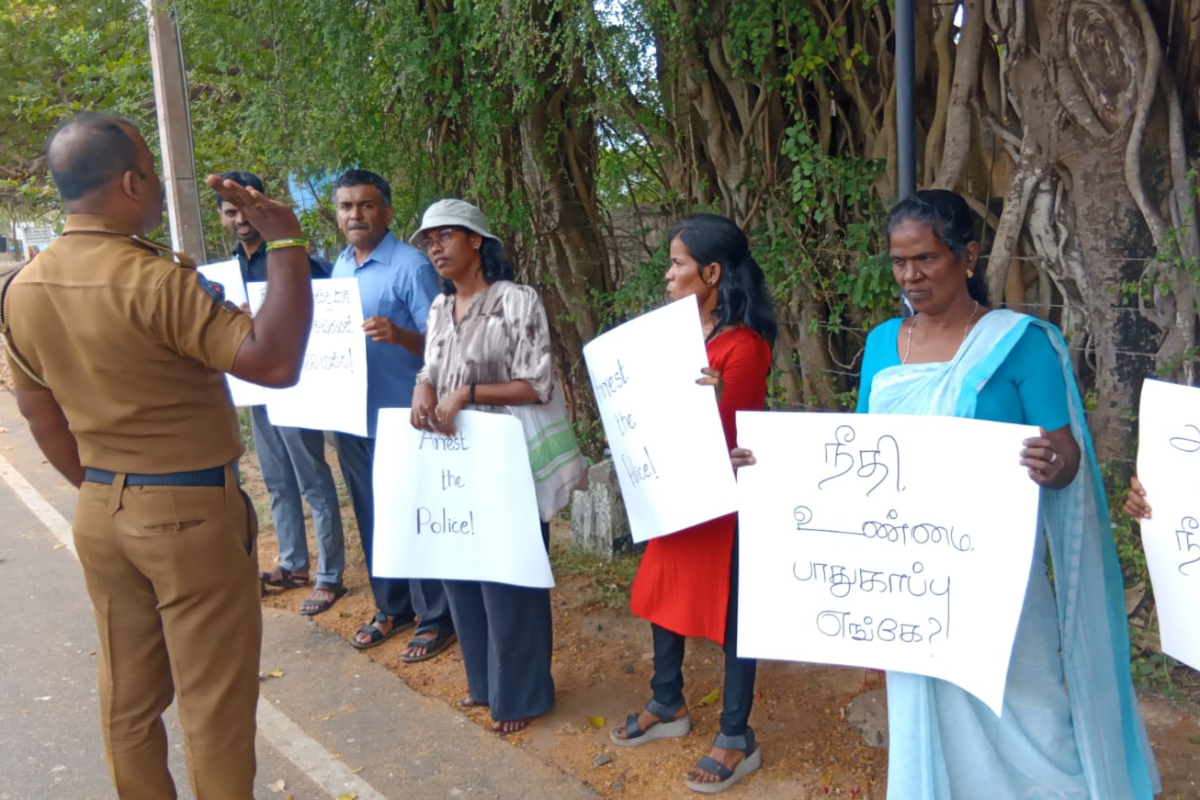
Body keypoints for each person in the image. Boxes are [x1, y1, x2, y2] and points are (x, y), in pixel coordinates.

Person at [732, 189, 1160, 799]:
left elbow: (1067, 458)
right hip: (908, 584)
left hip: (998, 578)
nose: (911, 275)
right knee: (928, 709)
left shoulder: (1021, 343)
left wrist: (1049, 461)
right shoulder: (884, 343)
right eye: (900, 262)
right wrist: (770, 464)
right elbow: (857, 451)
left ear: (967, 255)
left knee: (1031, 708)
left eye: (926, 259)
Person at [1, 112, 313, 799]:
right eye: (152, 173)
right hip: (187, 516)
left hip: (101, 510)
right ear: (131, 180)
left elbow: (36, 410)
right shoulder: (156, 281)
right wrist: (286, 240)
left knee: (129, 704)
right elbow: (275, 359)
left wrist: (106, 488)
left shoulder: (21, 289)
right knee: (214, 710)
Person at [610, 213, 776, 794]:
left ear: (711, 272)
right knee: (665, 595)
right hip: (673, 494)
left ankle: (736, 736)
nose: (668, 276)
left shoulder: (744, 347)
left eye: (678, 264)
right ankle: (668, 702)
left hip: (724, 506)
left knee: (734, 618)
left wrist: (702, 405)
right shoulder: (671, 340)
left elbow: (731, 435)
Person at [409, 198, 558, 734]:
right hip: (453, 461)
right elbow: (429, 365)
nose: (435, 247)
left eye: (445, 236)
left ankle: (523, 695)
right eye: (429, 240)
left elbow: (537, 383)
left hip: (506, 458)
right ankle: (485, 683)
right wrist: (424, 386)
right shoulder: (436, 308)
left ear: (475, 240)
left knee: (509, 575)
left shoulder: (517, 301)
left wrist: (467, 393)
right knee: (462, 568)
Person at [330, 170, 457, 661]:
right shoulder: (340, 269)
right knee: (373, 513)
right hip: (352, 415)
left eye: (365, 205)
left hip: (405, 415)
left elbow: (446, 340)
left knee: (416, 514)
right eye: (346, 206)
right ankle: (392, 606)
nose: (355, 215)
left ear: (386, 211)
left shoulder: (410, 267)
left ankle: (436, 616)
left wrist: (400, 335)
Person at [216, 170, 347, 616]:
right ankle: (293, 564)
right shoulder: (227, 270)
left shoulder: (293, 258)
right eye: (230, 212)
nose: (240, 219)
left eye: (246, 209)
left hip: (300, 382)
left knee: (313, 478)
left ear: (263, 206)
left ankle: (330, 576)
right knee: (275, 479)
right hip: (255, 385)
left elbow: (329, 310)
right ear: (222, 218)